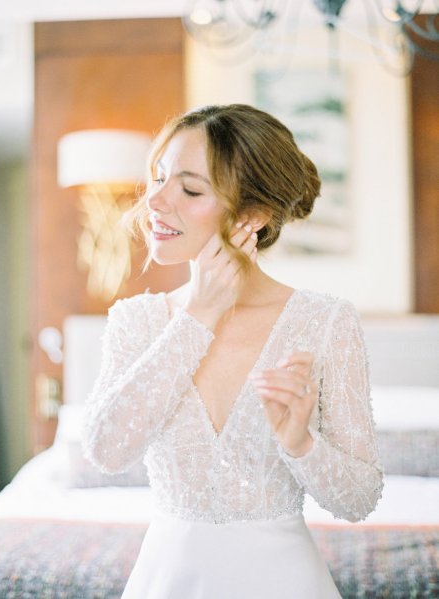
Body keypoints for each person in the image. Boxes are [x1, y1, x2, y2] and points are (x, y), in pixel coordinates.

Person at [82, 104, 383, 599]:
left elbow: (359, 499)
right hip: (168, 580)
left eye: (191, 188)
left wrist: (299, 443)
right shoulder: (136, 320)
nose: (155, 200)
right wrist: (198, 315)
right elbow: (106, 452)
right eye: (158, 178)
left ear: (252, 216)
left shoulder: (326, 322)